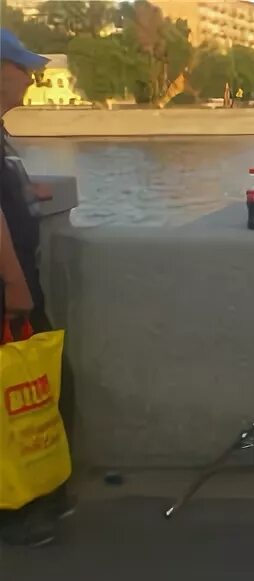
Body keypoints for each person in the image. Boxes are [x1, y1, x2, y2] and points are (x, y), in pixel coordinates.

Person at [0, 28, 75, 547]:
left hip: (19, 282)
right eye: (21, 67)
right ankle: (17, 513)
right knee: (18, 400)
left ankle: (38, 496)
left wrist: (30, 191)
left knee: (42, 389)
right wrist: (14, 289)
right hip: (9, 290)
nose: (30, 77)